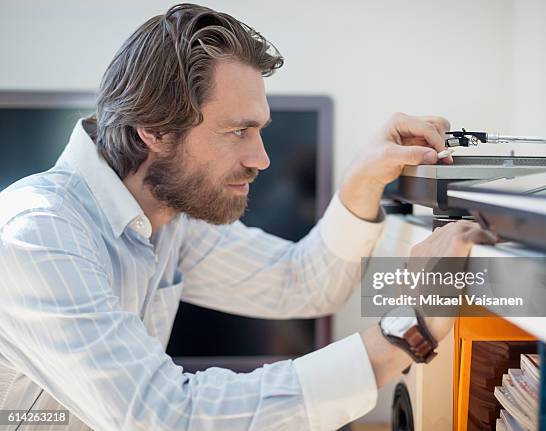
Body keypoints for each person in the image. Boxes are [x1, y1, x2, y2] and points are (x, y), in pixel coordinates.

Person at [0, 4, 495, 430]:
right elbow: (167, 417)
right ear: (154, 130)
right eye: (238, 131)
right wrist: (407, 329)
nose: (262, 158)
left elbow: (301, 282)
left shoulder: (167, 218)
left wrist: (364, 178)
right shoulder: (38, 236)